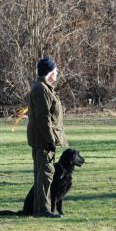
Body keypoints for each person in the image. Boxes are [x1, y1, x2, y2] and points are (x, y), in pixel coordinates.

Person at [27, 57, 68, 218]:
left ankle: (40, 208)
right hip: (43, 140)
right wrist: (50, 140)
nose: (57, 73)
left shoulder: (44, 88)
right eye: (55, 71)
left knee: (43, 173)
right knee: (45, 174)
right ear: (50, 73)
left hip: (43, 139)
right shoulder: (41, 89)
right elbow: (44, 118)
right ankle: (43, 210)